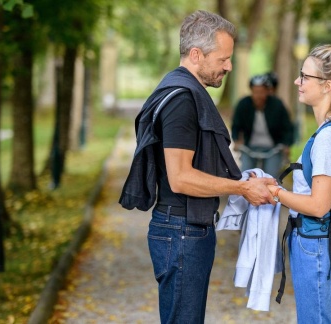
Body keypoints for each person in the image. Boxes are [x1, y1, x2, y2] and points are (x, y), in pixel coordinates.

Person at [121, 10, 276, 324]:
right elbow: (180, 178)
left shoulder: (185, 90)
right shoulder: (182, 100)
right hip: (180, 232)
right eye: (223, 58)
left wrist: (242, 178)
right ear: (196, 54)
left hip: (185, 231)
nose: (229, 66)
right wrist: (241, 188)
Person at [266, 39, 331, 323]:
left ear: (327, 86)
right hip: (327, 246)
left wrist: (275, 193)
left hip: (323, 249)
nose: (298, 81)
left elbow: (320, 205)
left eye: (305, 76)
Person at [231, 73, 294, 178]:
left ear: (268, 91)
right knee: (246, 176)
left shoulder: (277, 105)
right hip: (249, 148)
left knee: (271, 177)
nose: (258, 96)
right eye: (255, 92)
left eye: (261, 92)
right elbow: (236, 125)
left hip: (272, 149)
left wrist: (286, 145)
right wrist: (237, 140)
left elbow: (287, 127)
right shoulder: (243, 104)